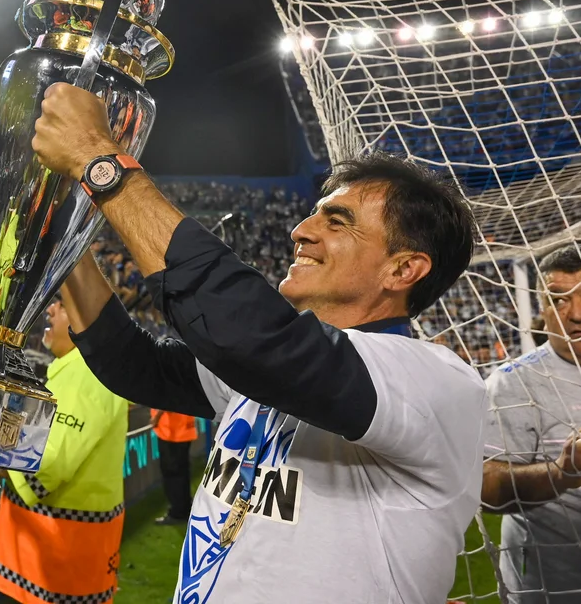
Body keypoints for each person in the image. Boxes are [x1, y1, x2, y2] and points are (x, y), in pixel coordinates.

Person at [31, 82, 486, 604]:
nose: (300, 230)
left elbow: (248, 336)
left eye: (337, 223)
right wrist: (63, 237)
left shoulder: (434, 383)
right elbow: (136, 365)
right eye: (313, 213)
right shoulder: (269, 369)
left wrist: (98, 158)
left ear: (403, 269)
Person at [481, 243, 581, 604]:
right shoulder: (514, 384)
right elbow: (484, 488)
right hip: (558, 591)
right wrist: (561, 472)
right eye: (558, 300)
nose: (577, 314)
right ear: (542, 309)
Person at [0, 296, 128, 604]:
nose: (49, 309)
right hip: (41, 564)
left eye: (61, 304)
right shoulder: (78, 371)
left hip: (52, 571)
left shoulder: (86, 375)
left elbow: (47, 464)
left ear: (86, 317)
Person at [150, 407, 197, 525]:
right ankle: (184, 508)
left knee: (173, 474)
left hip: (172, 431)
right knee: (181, 472)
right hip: (183, 428)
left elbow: (168, 401)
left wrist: (157, 417)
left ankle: (178, 512)